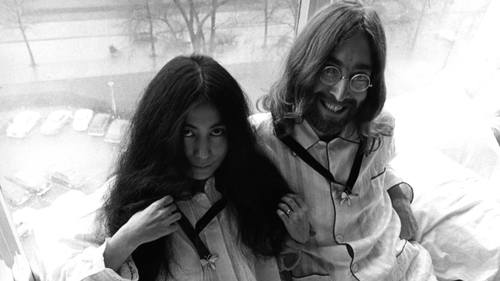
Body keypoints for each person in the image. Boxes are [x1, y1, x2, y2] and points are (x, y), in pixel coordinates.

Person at [53, 54, 309, 281]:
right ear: (163, 131)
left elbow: (270, 260)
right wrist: (128, 238)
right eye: (188, 133)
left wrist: (296, 238)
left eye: (217, 132)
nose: (203, 152)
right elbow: (65, 271)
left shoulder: (248, 184)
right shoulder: (129, 199)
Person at [252, 1, 436, 280]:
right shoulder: (264, 143)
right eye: (329, 70)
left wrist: (398, 196)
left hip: (394, 261)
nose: (340, 93)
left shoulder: (380, 129)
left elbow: (380, 171)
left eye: (359, 78)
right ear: (306, 65)